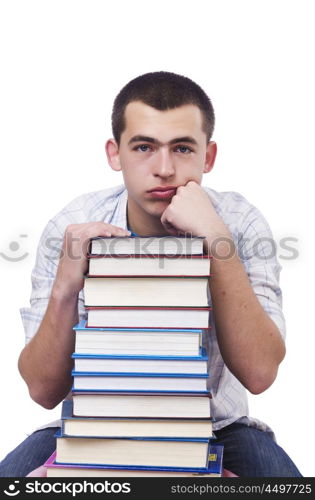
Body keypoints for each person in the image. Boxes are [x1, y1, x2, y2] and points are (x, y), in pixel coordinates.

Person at [0, 71, 301, 477]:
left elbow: (260, 374)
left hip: (217, 427)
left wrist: (215, 238)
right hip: (90, 426)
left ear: (207, 157)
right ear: (114, 153)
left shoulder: (239, 222)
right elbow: (42, 391)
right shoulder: (74, 223)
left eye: (182, 148)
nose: (164, 169)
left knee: (279, 481)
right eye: (143, 147)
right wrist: (65, 289)